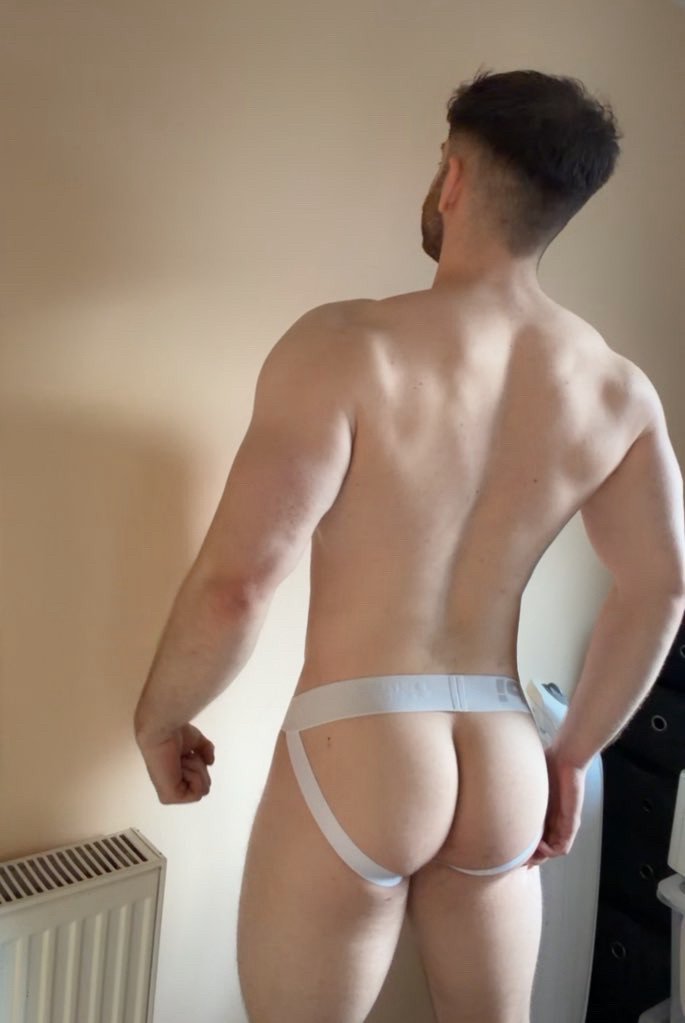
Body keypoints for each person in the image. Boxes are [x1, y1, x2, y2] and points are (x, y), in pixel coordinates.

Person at [133, 68, 685, 1023]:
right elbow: (660, 589)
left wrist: (162, 717)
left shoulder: (347, 345)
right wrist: (570, 754)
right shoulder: (615, 388)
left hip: (360, 742)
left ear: (454, 177)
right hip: (503, 749)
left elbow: (239, 583)